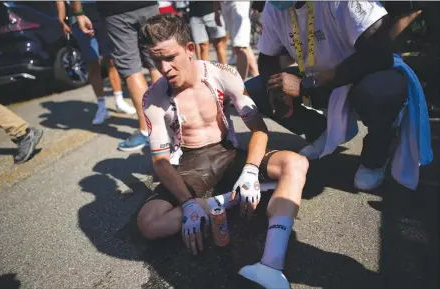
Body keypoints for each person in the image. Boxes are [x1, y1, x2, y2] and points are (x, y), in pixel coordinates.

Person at [137, 14, 309, 289]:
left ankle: (271, 264)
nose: (164, 68)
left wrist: (251, 170)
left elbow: (258, 129)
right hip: (191, 163)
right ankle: (228, 199)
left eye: (170, 57)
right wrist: (188, 202)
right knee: (149, 224)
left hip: (227, 152)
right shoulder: (153, 98)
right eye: (156, 60)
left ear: (190, 49)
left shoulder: (221, 74)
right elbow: (160, 162)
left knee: (296, 163)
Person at [248, 1, 432, 191]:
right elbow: (267, 57)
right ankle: (322, 131)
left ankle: (375, 157)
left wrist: (305, 85)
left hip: (365, 74)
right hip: (319, 78)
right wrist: (277, 92)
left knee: (380, 93)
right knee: (257, 90)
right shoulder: (274, 7)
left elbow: (379, 53)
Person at [72, 1, 162, 151]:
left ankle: (147, 130)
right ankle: (168, 120)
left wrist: (79, 13)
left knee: (131, 69)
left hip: (115, 9)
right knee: (156, 61)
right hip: (146, 4)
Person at [56, 1, 136, 125]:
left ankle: (119, 101)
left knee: (111, 59)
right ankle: (102, 107)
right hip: (79, 15)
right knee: (93, 62)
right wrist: (62, 19)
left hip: (102, 11)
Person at [214, 1, 259, 81]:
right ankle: (257, 78)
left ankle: (240, 86)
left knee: (240, 47)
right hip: (224, 4)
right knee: (244, 45)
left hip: (239, 4)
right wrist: (216, 10)